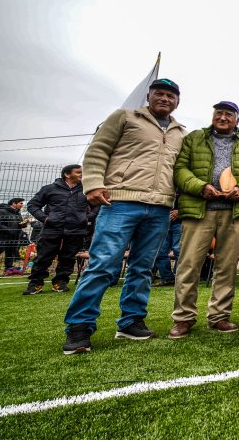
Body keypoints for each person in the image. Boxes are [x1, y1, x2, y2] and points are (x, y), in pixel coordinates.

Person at [61, 78, 186, 354]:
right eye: (160, 94)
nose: (165, 99)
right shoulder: (124, 117)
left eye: (171, 95)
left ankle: (131, 321)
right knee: (104, 264)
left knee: (142, 267)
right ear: (149, 97)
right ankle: (79, 327)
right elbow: (98, 151)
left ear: (177, 101)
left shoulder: (180, 133)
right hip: (120, 201)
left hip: (160, 207)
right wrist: (92, 183)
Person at [168, 101, 239, 339]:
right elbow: (180, 169)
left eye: (229, 114)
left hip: (235, 212)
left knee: (226, 267)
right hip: (198, 211)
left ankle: (219, 316)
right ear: (213, 116)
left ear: (237, 120)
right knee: (189, 265)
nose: (223, 117)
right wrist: (200, 187)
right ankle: (183, 318)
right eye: (219, 113)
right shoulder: (194, 139)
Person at [23, 165, 94, 294]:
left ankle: (60, 282)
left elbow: (97, 207)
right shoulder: (49, 189)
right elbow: (33, 205)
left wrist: (86, 218)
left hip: (76, 230)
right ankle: (35, 283)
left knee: (68, 257)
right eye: (78, 172)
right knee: (43, 257)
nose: (82, 174)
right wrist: (45, 219)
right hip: (51, 229)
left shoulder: (87, 190)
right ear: (67, 174)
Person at [0, 198, 28, 276]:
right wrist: (9, 230)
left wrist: (23, 224)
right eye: (20, 203)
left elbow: (19, 224)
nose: (22, 205)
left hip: (14, 237)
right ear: (13, 203)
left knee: (10, 254)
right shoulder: (1, 211)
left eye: (22, 203)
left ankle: (8, 269)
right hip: (1, 237)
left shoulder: (17, 213)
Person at [151, 209, 181, 287]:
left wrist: (180, 211)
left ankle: (183, 279)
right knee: (160, 252)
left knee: (178, 251)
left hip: (181, 222)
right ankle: (167, 278)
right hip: (164, 222)